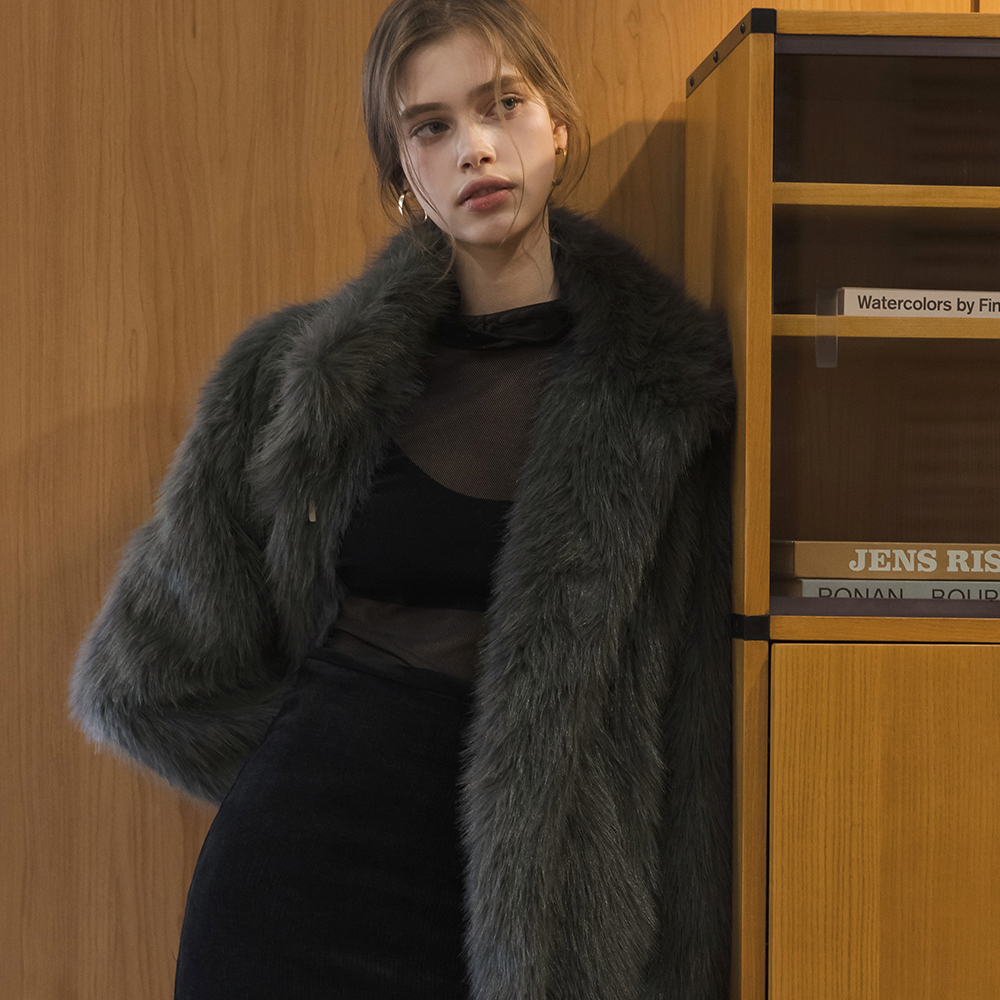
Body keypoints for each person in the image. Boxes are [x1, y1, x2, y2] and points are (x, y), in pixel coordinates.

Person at [70, 0, 735, 997]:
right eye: (430, 127)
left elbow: (691, 732)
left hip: (523, 915)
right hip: (295, 885)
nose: (475, 148)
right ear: (403, 175)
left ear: (556, 123)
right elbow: (145, 681)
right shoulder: (294, 379)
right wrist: (305, 753)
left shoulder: (665, 399)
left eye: (502, 104)